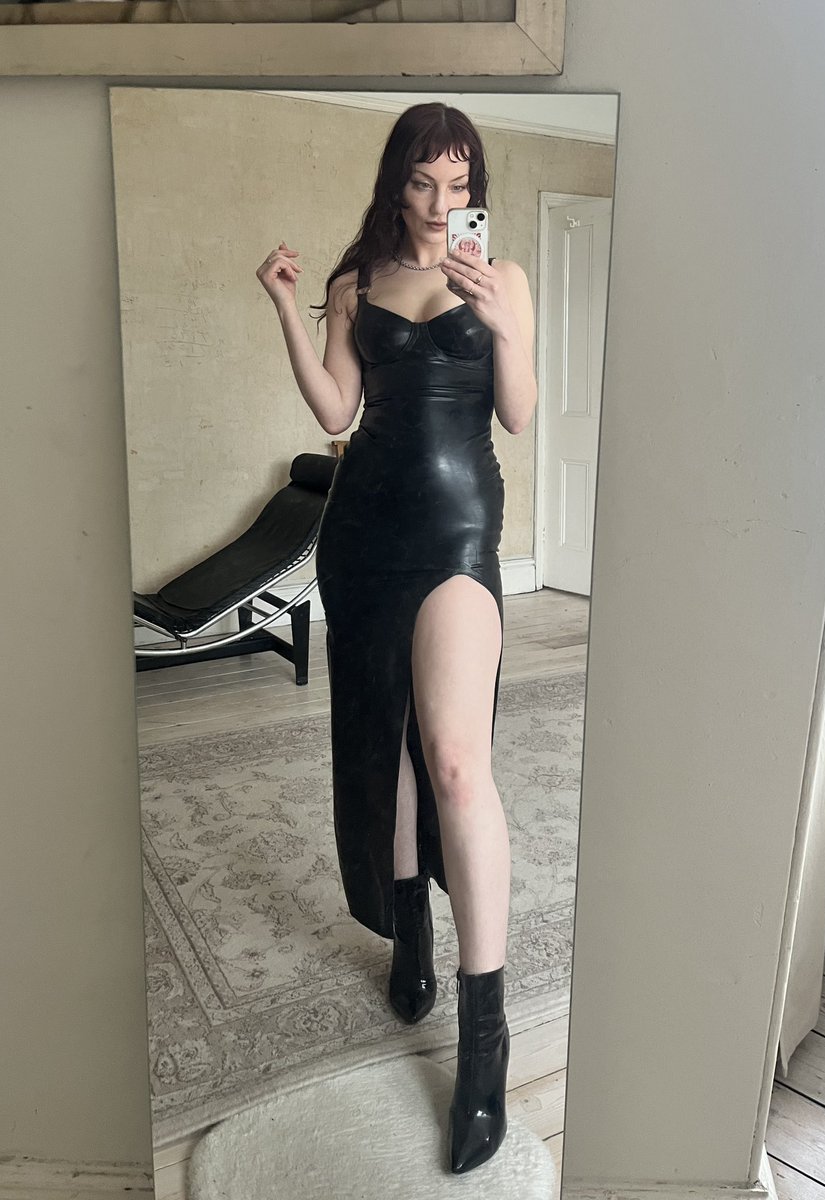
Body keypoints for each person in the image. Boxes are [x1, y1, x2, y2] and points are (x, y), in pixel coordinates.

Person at [256, 102, 536, 1175]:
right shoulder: (355, 281)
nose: (438, 203)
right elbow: (335, 411)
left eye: (457, 184)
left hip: (459, 534)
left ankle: (484, 1043)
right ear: (396, 183)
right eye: (422, 182)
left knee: (457, 758)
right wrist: (288, 309)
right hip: (363, 530)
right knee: (389, 745)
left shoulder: (503, 279)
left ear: (475, 191)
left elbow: (519, 414)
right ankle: (409, 930)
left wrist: (503, 325)